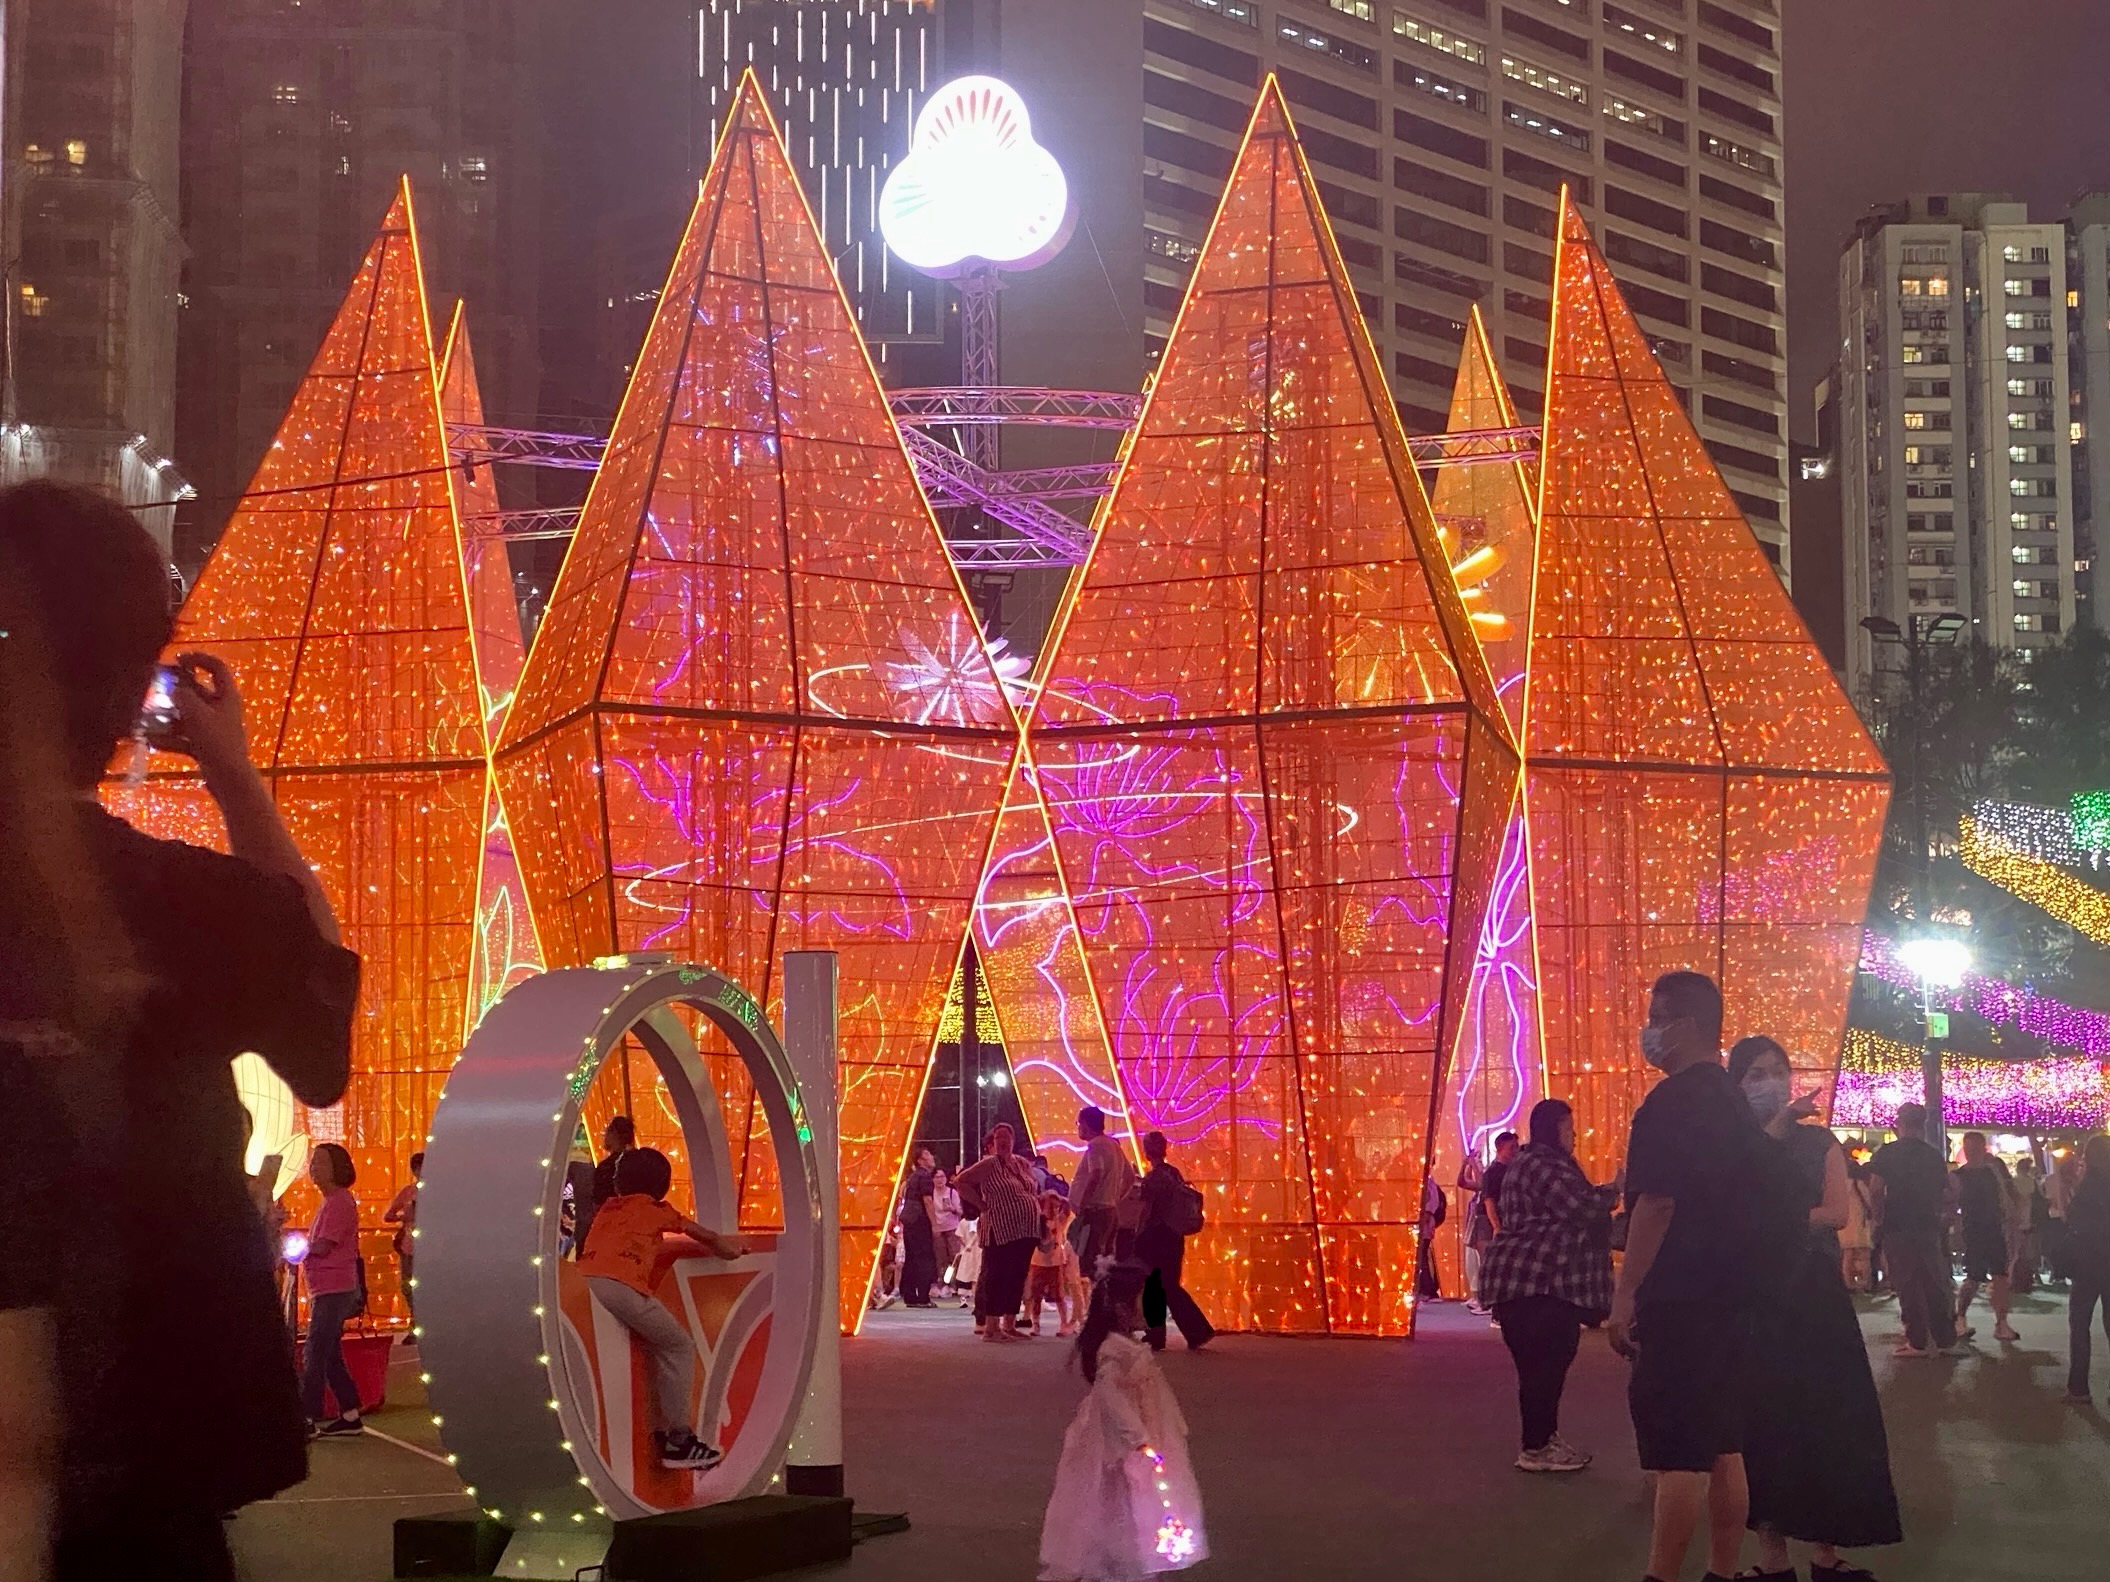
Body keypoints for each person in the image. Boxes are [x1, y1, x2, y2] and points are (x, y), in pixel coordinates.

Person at [0, 482, 359, 1580]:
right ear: (124, 691)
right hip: (139, 1459)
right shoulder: (178, 905)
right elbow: (319, 1022)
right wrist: (235, 773)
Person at [1611, 971, 1779, 1582]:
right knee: (1723, 1443)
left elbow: (1657, 1203)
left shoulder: (1671, 1101)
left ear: (1682, 1025)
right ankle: (1723, 1571)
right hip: (1733, 1294)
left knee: (1678, 1453)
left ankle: (1660, 1576)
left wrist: (1626, 1294)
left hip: (1681, 1296)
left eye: (1656, 1018)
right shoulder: (1733, 1102)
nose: (1648, 1031)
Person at [1729, 1036, 1901, 1581]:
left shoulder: (1819, 1141)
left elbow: (1833, 1211)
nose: (1770, 1081)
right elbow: (1732, 1204)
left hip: (1813, 1297)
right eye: (1756, 1073)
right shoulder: (1731, 1143)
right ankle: (1773, 1559)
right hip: (1752, 1300)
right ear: (1736, 1084)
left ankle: (1827, 1554)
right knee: (1762, 1426)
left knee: (1830, 1420)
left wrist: (1770, 1219)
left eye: (1777, 1070)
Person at [1038, 1261, 1208, 1582]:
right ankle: (1118, 1557)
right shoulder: (1114, 1352)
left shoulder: (1129, 1347)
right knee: (1119, 1491)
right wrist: (1136, 1436)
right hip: (1120, 1437)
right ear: (1120, 1307)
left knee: (1136, 1492)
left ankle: (1135, 1552)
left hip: (1146, 1423)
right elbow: (1111, 1398)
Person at [576, 1146, 743, 1469]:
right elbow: (706, 1237)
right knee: (679, 1345)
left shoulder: (609, 1207)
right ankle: (678, 1440)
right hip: (621, 1286)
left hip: (585, 1281)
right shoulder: (659, 1211)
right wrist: (733, 1251)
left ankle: (653, 1430)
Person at [1479, 1099, 1618, 1473]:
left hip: (1526, 1285)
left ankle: (1541, 1440)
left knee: (1540, 1370)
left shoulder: (1532, 1163)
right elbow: (1583, 1208)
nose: (1573, 1137)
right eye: (1569, 1129)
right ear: (1554, 1128)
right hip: (1535, 1284)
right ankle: (1537, 1447)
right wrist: (1615, 1190)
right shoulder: (1542, 1163)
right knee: (1545, 1366)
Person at [302, 1143, 366, 1438]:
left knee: (315, 1352)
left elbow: (324, 1245)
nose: (314, 1168)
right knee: (328, 1354)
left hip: (334, 1288)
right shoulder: (329, 1202)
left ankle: (307, 1417)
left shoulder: (339, 1201)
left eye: (321, 1163)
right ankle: (350, 1413)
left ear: (337, 1168)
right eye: (313, 1162)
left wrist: (297, 1249)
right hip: (326, 1288)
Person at [957, 1123, 1042, 1342]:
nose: (1003, 1141)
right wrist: (982, 1206)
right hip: (1001, 1228)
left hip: (1026, 1229)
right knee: (998, 1276)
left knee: (1017, 1275)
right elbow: (961, 1182)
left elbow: (1031, 1189)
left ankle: (1010, 1324)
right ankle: (991, 1327)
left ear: (1013, 1141)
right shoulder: (989, 1163)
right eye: (998, 1138)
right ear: (993, 1142)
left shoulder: (1022, 1163)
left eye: (1007, 1137)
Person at [1136, 1132, 1215, 1353]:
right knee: (1169, 1284)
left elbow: (1145, 1210)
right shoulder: (1174, 1173)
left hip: (1155, 1236)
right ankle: (1193, 1330)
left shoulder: (1153, 1179)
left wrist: (1137, 1232)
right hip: (1174, 1236)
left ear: (1147, 1151)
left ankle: (1169, 1332)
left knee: (1154, 1285)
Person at [1951, 1131, 2021, 1343]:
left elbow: (2005, 1198)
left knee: (2000, 1277)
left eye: (1975, 1148)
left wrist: (2012, 1223)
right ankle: (1960, 1317)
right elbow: (1953, 1206)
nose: (1972, 1153)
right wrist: (1956, 1229)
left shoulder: (1994, 1172)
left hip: (1994, 1228)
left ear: (1983, 1149)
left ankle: (2001, 1323)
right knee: (1973, 1277)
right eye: (1969, 1148)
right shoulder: (1958, 1176)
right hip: (1973, 1230)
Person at [2063, 1134, 2110, 1405]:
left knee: (2080, 1323)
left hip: (2088, 1262)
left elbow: (2075, 1220)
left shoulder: (2088, 1185)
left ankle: (2078, 1387)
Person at [1069, 1106, 1136, 1281]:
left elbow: (1095, 1174)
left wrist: (1083, 1204)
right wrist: (1114, 1198)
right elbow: (1129, 1177)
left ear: (1085, 1124)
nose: (1078, 1127)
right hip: (1110, 1212)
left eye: (1078, 1123)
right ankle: (1104, 1303)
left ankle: (1097, 1303)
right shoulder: (1113, 1144)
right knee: (1105, 1261)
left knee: (1092, 1263)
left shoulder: (1095, 1145)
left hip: (1095, 1213)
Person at [1465, 1131, 1520, 1316]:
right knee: (1488, 1263)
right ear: (1499, 1149)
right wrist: (1496, 1226)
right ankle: (1485, 1302)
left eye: (1516, 1147)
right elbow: (1489, 1201)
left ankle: (1492, 1303)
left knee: (1498, 1264)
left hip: (1501, 1223)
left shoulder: (1512, 1170)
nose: (1515, 1151)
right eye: (1511, 1147)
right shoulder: (1493, 1173)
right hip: (1488, 1222)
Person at [1025, 1191, 1077, 1337]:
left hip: (1056, 1263)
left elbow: (1068, 1207)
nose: (1053, 1210)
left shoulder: (1060, 1220)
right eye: (1050, 1207)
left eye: (1056, 1207)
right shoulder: (1037, 1221)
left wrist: (1058, 1198)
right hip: (1038, 1263)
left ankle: (1063, 1323)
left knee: (1059, 1295)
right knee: (1036, 1295)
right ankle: (1035, 1323)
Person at [898, 1146, 941, 1308]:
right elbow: (928, 1201)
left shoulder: (913, 1178)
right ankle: (923, 1296)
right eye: (928, 1154)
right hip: (920, 1221)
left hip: (909, 1221)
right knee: (924, 1258)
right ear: (920, 1160)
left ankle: (910, 1295)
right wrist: (935, 1224)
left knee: (911, 1258)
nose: (932, 1157)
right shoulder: (925, 1177)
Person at [384, 1150, 423, 1323]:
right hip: (410, 1244)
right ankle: (415, 1320)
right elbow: (388, 1216)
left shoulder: (440, 1192)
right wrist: (405, 1217)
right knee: (408, 1285)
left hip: (432, 1247)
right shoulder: (408, 1192)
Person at [2011, 1155, 2048, 1292]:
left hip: (2015, 1221)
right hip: (2029, 1221)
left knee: (2016, 1253)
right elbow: (2041, 1202)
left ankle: (2016, 1280)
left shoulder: (2013, 1182)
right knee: (2028, 1252)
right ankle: (2027, 1279)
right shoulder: (2033, 1183)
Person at [1414, 1171, 1449, 1301]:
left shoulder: (1428, 1181)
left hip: (1425, 1223)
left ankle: (1428, 1290)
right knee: (1422, 1256)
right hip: (1425, 1222)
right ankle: (1426, 1288)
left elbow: (1431, 1202)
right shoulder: (1427, 1180)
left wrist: (1426, 1216)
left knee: (1422, 1256)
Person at [931, 1166, 965, 1299]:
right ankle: (942, 1284)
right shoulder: (931, 1194)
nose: (940, 1180)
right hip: (938, 1229)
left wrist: (952, 1209)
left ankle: (952, 1283)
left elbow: (961, 1211)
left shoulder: (952, 1193)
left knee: (954, 1256)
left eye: (942, 1177)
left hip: (952, 1228)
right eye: (937, 1177)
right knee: (941, 1258)